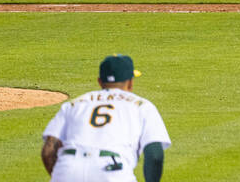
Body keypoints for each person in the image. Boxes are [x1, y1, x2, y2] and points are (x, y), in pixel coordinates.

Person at [41, 54, 170, 182]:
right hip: (112, 172)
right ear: (130, 83)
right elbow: (154, 155)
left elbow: (48, 151)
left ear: (100, 82)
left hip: (68, 167)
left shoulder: (74, 104)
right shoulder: (142, 106)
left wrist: (63, 175)